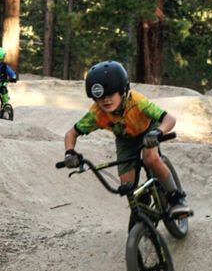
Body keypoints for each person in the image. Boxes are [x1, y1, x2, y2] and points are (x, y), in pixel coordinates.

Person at [62, 60, 192, 219]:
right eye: (100, 98)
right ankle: (143, 204)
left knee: (150, 158)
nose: (105, 100)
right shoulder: (97, 113)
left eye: (110, 94)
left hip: (148, 131)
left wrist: (158, 132)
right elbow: (71, 134)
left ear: (123, 91)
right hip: (125, 140)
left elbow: (169, 119)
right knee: (126, 185)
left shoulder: (137, 102)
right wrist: (70, 153)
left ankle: (176, 197)